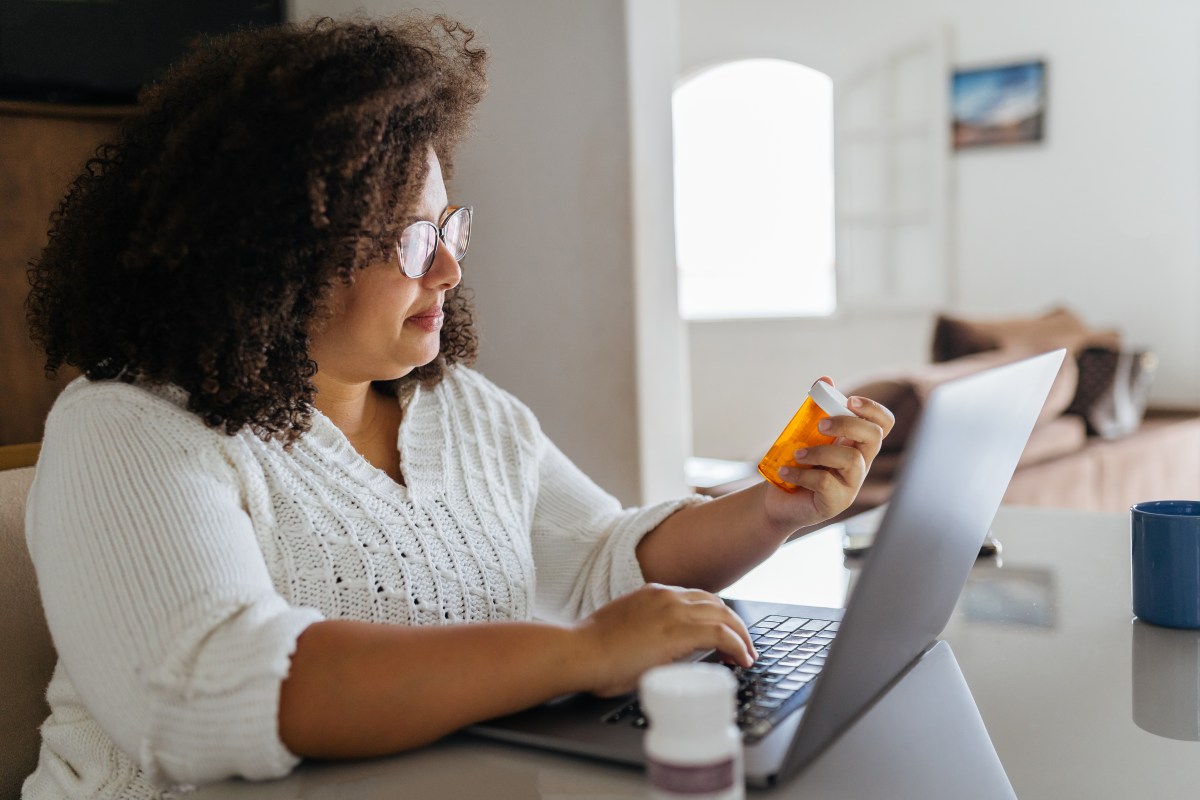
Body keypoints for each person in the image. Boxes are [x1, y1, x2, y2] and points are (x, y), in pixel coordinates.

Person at [20, 14, 893, 800]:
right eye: (407, 240)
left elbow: (599, 561)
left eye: (448, 227)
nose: (448, 269)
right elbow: (208, 690)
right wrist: (582, 655)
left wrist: (774, 508)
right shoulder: (126, 425)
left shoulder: (461, 410)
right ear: (268, 261)